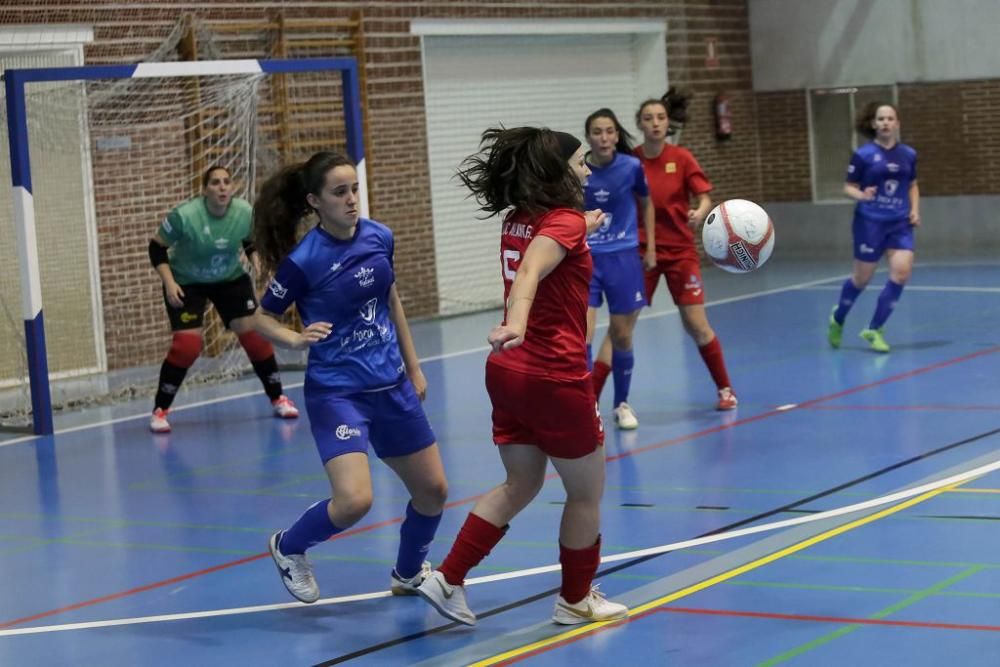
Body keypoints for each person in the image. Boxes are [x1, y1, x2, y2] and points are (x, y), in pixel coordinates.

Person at [416, 127, 628, 627]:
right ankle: (575, 599)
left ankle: (448, 577)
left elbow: (544, 251)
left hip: (507, 372)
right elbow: (533, 270)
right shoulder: (565, 223)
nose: (587, 169)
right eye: (580, 162)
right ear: (557, 172)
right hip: (553, 374)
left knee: (521, 481)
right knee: (585, 493)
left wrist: (584, 229)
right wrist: (517, 320)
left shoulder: (520, 219)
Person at [248, 151, 448, 604]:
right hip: (339, 392)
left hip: (392, 386)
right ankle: (289, 546)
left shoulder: (380, 236)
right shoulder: (305, 260)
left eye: (354, 189)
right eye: (340, 193)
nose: (352, 199)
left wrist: (413, 366)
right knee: (355, 500)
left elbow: (391, 300)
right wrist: (295, 339)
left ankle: (408, 571)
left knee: (434, 491)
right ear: (315, 202)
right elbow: (262, 317)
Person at [148, 165, 299, 433]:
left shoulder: (243, 212)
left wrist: (256, 262)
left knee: (255, 335)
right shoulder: (185, 216)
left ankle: (278, 398)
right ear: (205, 189)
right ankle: (160, 410)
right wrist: (169, 282)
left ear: (232, 187)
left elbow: (249, 241)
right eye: (215, 183)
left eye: (226, 182)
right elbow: (156, 247)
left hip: (229, 279)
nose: (222, 187)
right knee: (187, 346)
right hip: (186, 282)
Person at [634, 98, 738, 411]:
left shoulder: (681, 158)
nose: (655, 123)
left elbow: (704, 196)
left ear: (668, 124)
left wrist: (699, 212)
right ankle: (598, 400)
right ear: (640, 124)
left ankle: (725, 389)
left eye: (660, 117)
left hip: (680, 251)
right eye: (649, 118)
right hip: (643, 252)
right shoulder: (630, 161)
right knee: (622, 327)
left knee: (696, 323)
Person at [582, 108, 656, 430]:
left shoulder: (631, 167)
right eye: (597, 132)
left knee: (622, 335)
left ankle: (621, 403)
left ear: (617, 134)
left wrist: (649, 246)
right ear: (588, 137)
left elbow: (647, 202)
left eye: (610, 131)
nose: (604, 138)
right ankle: (585, 407)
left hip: (624, 258)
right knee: (582, 337)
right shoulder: (579, 171)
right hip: (588, 260)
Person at [828, 102, 919, 353]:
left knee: (901, 273)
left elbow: (912, 184)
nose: (886, 123)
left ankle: (874, 328)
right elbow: (848, 187)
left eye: (890, 118)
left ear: (897, 123)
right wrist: (862, 195)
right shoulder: (863, 155)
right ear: (874, 124)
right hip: (870, 222)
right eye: (881, 119)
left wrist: (914, 209)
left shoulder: (908, 155)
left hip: (900, 223)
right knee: (861, 279)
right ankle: (838, 317)